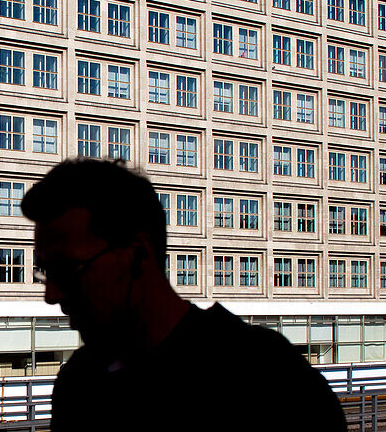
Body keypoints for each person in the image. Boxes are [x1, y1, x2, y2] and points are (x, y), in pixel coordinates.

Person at [23, 159, 347, 431]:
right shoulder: (78, 385)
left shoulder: (268, 379)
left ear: (138, 255)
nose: (52, 295)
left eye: (68, 270)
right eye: (45, 272)